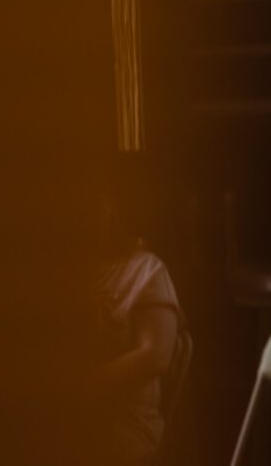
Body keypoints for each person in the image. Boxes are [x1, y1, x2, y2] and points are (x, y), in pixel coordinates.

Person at [93, 169, 184, 466]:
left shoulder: (145, 269)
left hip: (120, 425)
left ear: (111, 206)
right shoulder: (59, 273)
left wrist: (83, 387)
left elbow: (155, 355)